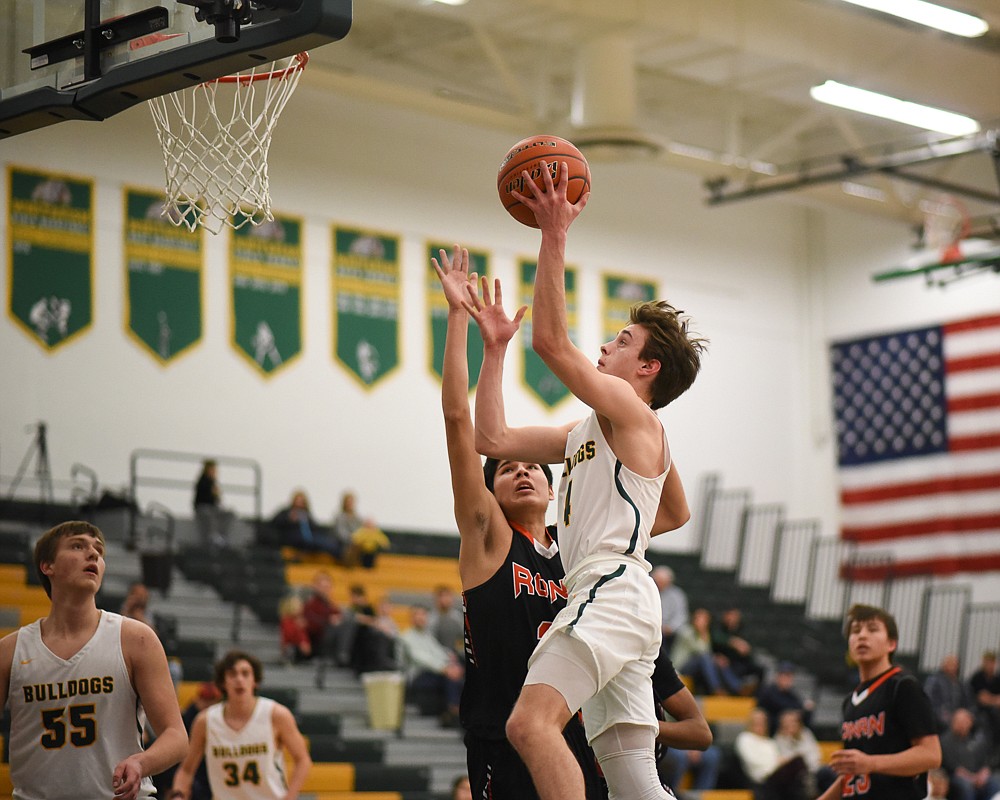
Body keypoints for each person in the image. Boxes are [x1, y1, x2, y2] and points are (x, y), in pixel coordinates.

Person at [465, 158, 705, 800]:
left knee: (529, 724)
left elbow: (552, 342)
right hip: (609, 591)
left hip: (612, 588)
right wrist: (492, 351)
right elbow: (492, 439)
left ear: (647, 367)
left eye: (620, 342)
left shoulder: (633, 413)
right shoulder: (589, 432)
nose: (606, 347)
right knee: (632, 782)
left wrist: (553, 230)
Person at [0, 520, 188, 800]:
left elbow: (176, 736)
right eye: (78, 546)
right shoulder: (10, 651)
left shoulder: (135, 639)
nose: (93, 554)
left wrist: (140, 762)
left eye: (98, 551)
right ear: (47, 566)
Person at [817, 604, 941, 800]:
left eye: (872, 629)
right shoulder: (850, 701)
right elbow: (854, 773)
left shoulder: (903, 687)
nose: (862, 636)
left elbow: (931, 755)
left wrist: (871, 763)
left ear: (891, 644)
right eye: (856, 631)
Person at [169, 650, 311, 800]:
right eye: (232, 674)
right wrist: (178, 795)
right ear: (223, 682)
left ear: (255, 680)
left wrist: (290, 796)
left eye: (245, 673)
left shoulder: (276, 714)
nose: (239, 679)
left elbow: (303, 760)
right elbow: (186, 771)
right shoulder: (205, 721)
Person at [652, 648, 718, 797]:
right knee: (679, 757)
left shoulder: (656, 661)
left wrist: (643, 727)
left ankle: (692, 795)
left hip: (662, 741)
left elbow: (701, 734)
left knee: (712, 755)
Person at [396, 603, 464, 726]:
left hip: (433, 674)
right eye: (417, 614)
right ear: (411, 618)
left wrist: (451, 662)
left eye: (423, 615)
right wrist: (444, 669)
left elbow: (439, 652)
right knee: (449, 677)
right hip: (415, 677)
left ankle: (456, 710)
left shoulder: (427, 636)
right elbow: (421, 659)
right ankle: (453, 710)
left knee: (458, 673)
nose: (421, 617)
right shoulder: (406, 637)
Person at [734, 707, 809, 800]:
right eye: (757, 722)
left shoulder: (770, 742)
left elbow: (777, 758)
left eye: (763, 722)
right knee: (797, 763)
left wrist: (780, 762)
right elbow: (753, 760)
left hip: (775, 774)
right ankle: (810, 791)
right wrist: (777, 763)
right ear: (751, 723)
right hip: (762, 778)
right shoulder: (745, 738)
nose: (760, 725)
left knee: (798, 763)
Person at [671, 607, 742, 696]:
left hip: (698, 667)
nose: (702, 622)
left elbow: (707, 653)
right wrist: (703, 633)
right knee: (705, 658)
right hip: (681, 667)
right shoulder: (686, 631)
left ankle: (737, 687)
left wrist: (716, 659)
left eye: (705, 619)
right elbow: (700, 650)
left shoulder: (706, 634)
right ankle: (716, 689)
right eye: (700, 618)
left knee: (720, 661)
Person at [938, 707, 1000, 800]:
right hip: (958, 776)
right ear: (953, 722)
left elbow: (987, 758)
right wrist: (971, 778)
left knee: (995, 781)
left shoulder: (978, 738)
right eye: (960, 721)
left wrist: (985, 771)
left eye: (966, 721)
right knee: (965, 786)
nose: (963, 724)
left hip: (978, 775)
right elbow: (951, 767)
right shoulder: (945, 741)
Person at [269, 491, 341, 560]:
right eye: (297, 501)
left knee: (327, 541)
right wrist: (288, 518)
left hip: (309, 537)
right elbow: (274, 523)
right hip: (295, 537)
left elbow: (314, 527)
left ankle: (339, 553)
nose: (299, 504)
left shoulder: (306, 514)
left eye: (301, 501)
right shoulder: (286, 512)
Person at [711, 607, 765, 695]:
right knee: (723, 664)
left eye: (735, 616)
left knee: (760, 669)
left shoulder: (743, 630)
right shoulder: (719, 629)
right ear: (725, 617)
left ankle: (757, 694)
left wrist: (746, 649)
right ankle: (739, 688)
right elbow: (716, 639)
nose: (732, 619)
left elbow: (748, 648)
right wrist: (733, 642)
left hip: (741, 662)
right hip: (726, 662)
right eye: (730, 616)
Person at [757, 661, 815, 735]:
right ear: (777, 676)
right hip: (772, 732)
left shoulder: (793, 696)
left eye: (789, 676)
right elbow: (761, 714)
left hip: (790, 734)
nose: (786, 679)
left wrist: (807, 711)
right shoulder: (767, 692)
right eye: (784, 675)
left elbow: (802, 717)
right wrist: (786, 717)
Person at [923, 654, 973, 732]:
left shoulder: (961, 684)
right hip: (940, 718)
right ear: (943, 665)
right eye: (950, 664)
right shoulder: (934, 681)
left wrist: (965, 716)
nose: (953, 667)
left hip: (958, 717)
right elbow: (928, 702)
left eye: (955, 664)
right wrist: (950, 718)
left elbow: (968, 703)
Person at [193, 459, 234, 548]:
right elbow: (202, 499)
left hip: (213, 508)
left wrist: (216, 495)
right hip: (203, 508)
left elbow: (216, 500)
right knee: (210, 515)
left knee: (229, 514)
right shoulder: (202, 482)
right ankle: (213, 537)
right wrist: (213, 493)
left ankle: (222, 536)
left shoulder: (213, 482)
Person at [652, 566, 688, 654]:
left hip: (668, 632)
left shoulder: (677, 595)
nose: (659, 585)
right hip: (650, 626)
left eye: (662, 583)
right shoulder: (646, 591)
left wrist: (671, 627)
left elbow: (681, 616)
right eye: (657, 582)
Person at [968, 650, 1000, 747]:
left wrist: (990, 699)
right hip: (978, 709)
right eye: (988, 662)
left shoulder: (997, 679)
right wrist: (995, 700)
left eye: (992, 662)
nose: (990, 665)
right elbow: (982, 699)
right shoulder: (977, 677)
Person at [428, 584, 464, 658]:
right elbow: (430, 642)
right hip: (434, 655)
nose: (444, 599)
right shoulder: (431, 619)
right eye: (441, 596)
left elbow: (464, 637)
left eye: (447, 596)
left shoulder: (457, 617)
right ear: (436, 599)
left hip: (454, 654)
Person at [278, 594, 312, 664]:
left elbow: (304, 636)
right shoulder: (287, 621)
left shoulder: (300, 621)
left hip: (300, 646)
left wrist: (305, 642)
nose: (301, 608)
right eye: (299, 606)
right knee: (291, 649)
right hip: (291, 646)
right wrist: (297, 628)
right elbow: (289, 636)